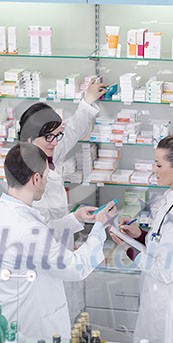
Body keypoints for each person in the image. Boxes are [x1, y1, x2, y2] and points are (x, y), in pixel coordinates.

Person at [0, 142, 116, 339]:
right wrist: (99, 229)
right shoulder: (29, 229)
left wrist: (75, 219)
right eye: (46, 178)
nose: (46, 183)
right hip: (33, 328)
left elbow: (34, 242)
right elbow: (76, 267)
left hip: (2, 323)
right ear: (36, 178)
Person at [110, 130, 173, 343]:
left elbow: (164, 271)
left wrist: (127, 247)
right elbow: (164, 242)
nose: (153, 170)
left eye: (158, 165)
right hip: (160, 300)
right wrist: (139, 235)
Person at [18, 81, 107, 320]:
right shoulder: (25, 174)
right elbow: (40, 230)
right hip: (44, 263)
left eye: (56, 135)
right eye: (48, 136)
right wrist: (74, 220)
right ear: (28, 139)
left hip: (61, 252)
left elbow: (72, 134)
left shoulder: (45, 153)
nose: (54, 142)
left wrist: (87, 102)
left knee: (67, 319)